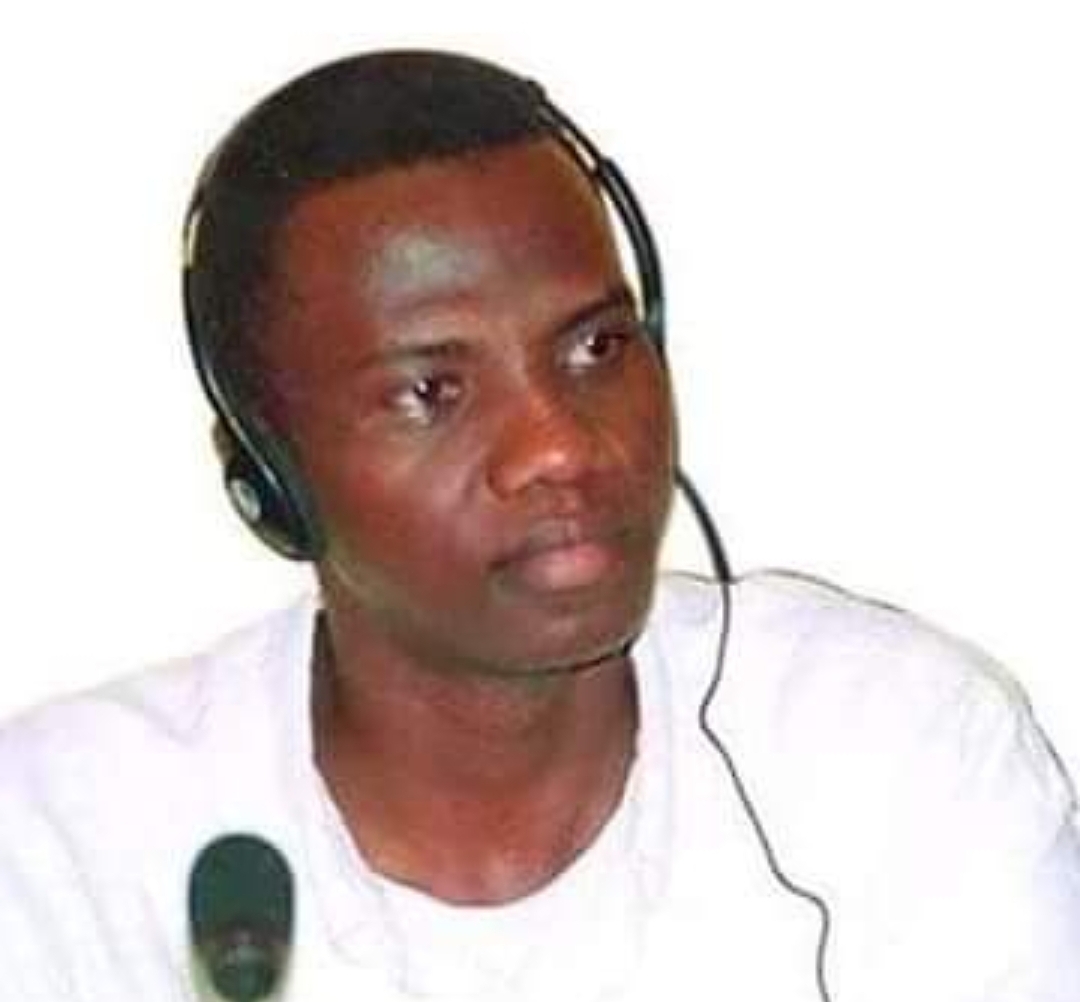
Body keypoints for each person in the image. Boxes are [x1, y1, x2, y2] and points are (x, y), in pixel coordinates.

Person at [1, 50, 1078, 1002]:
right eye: (430, 391)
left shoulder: (896, 748)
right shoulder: (65, 843)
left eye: (596, 349)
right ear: (267, 478)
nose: (560, 447)